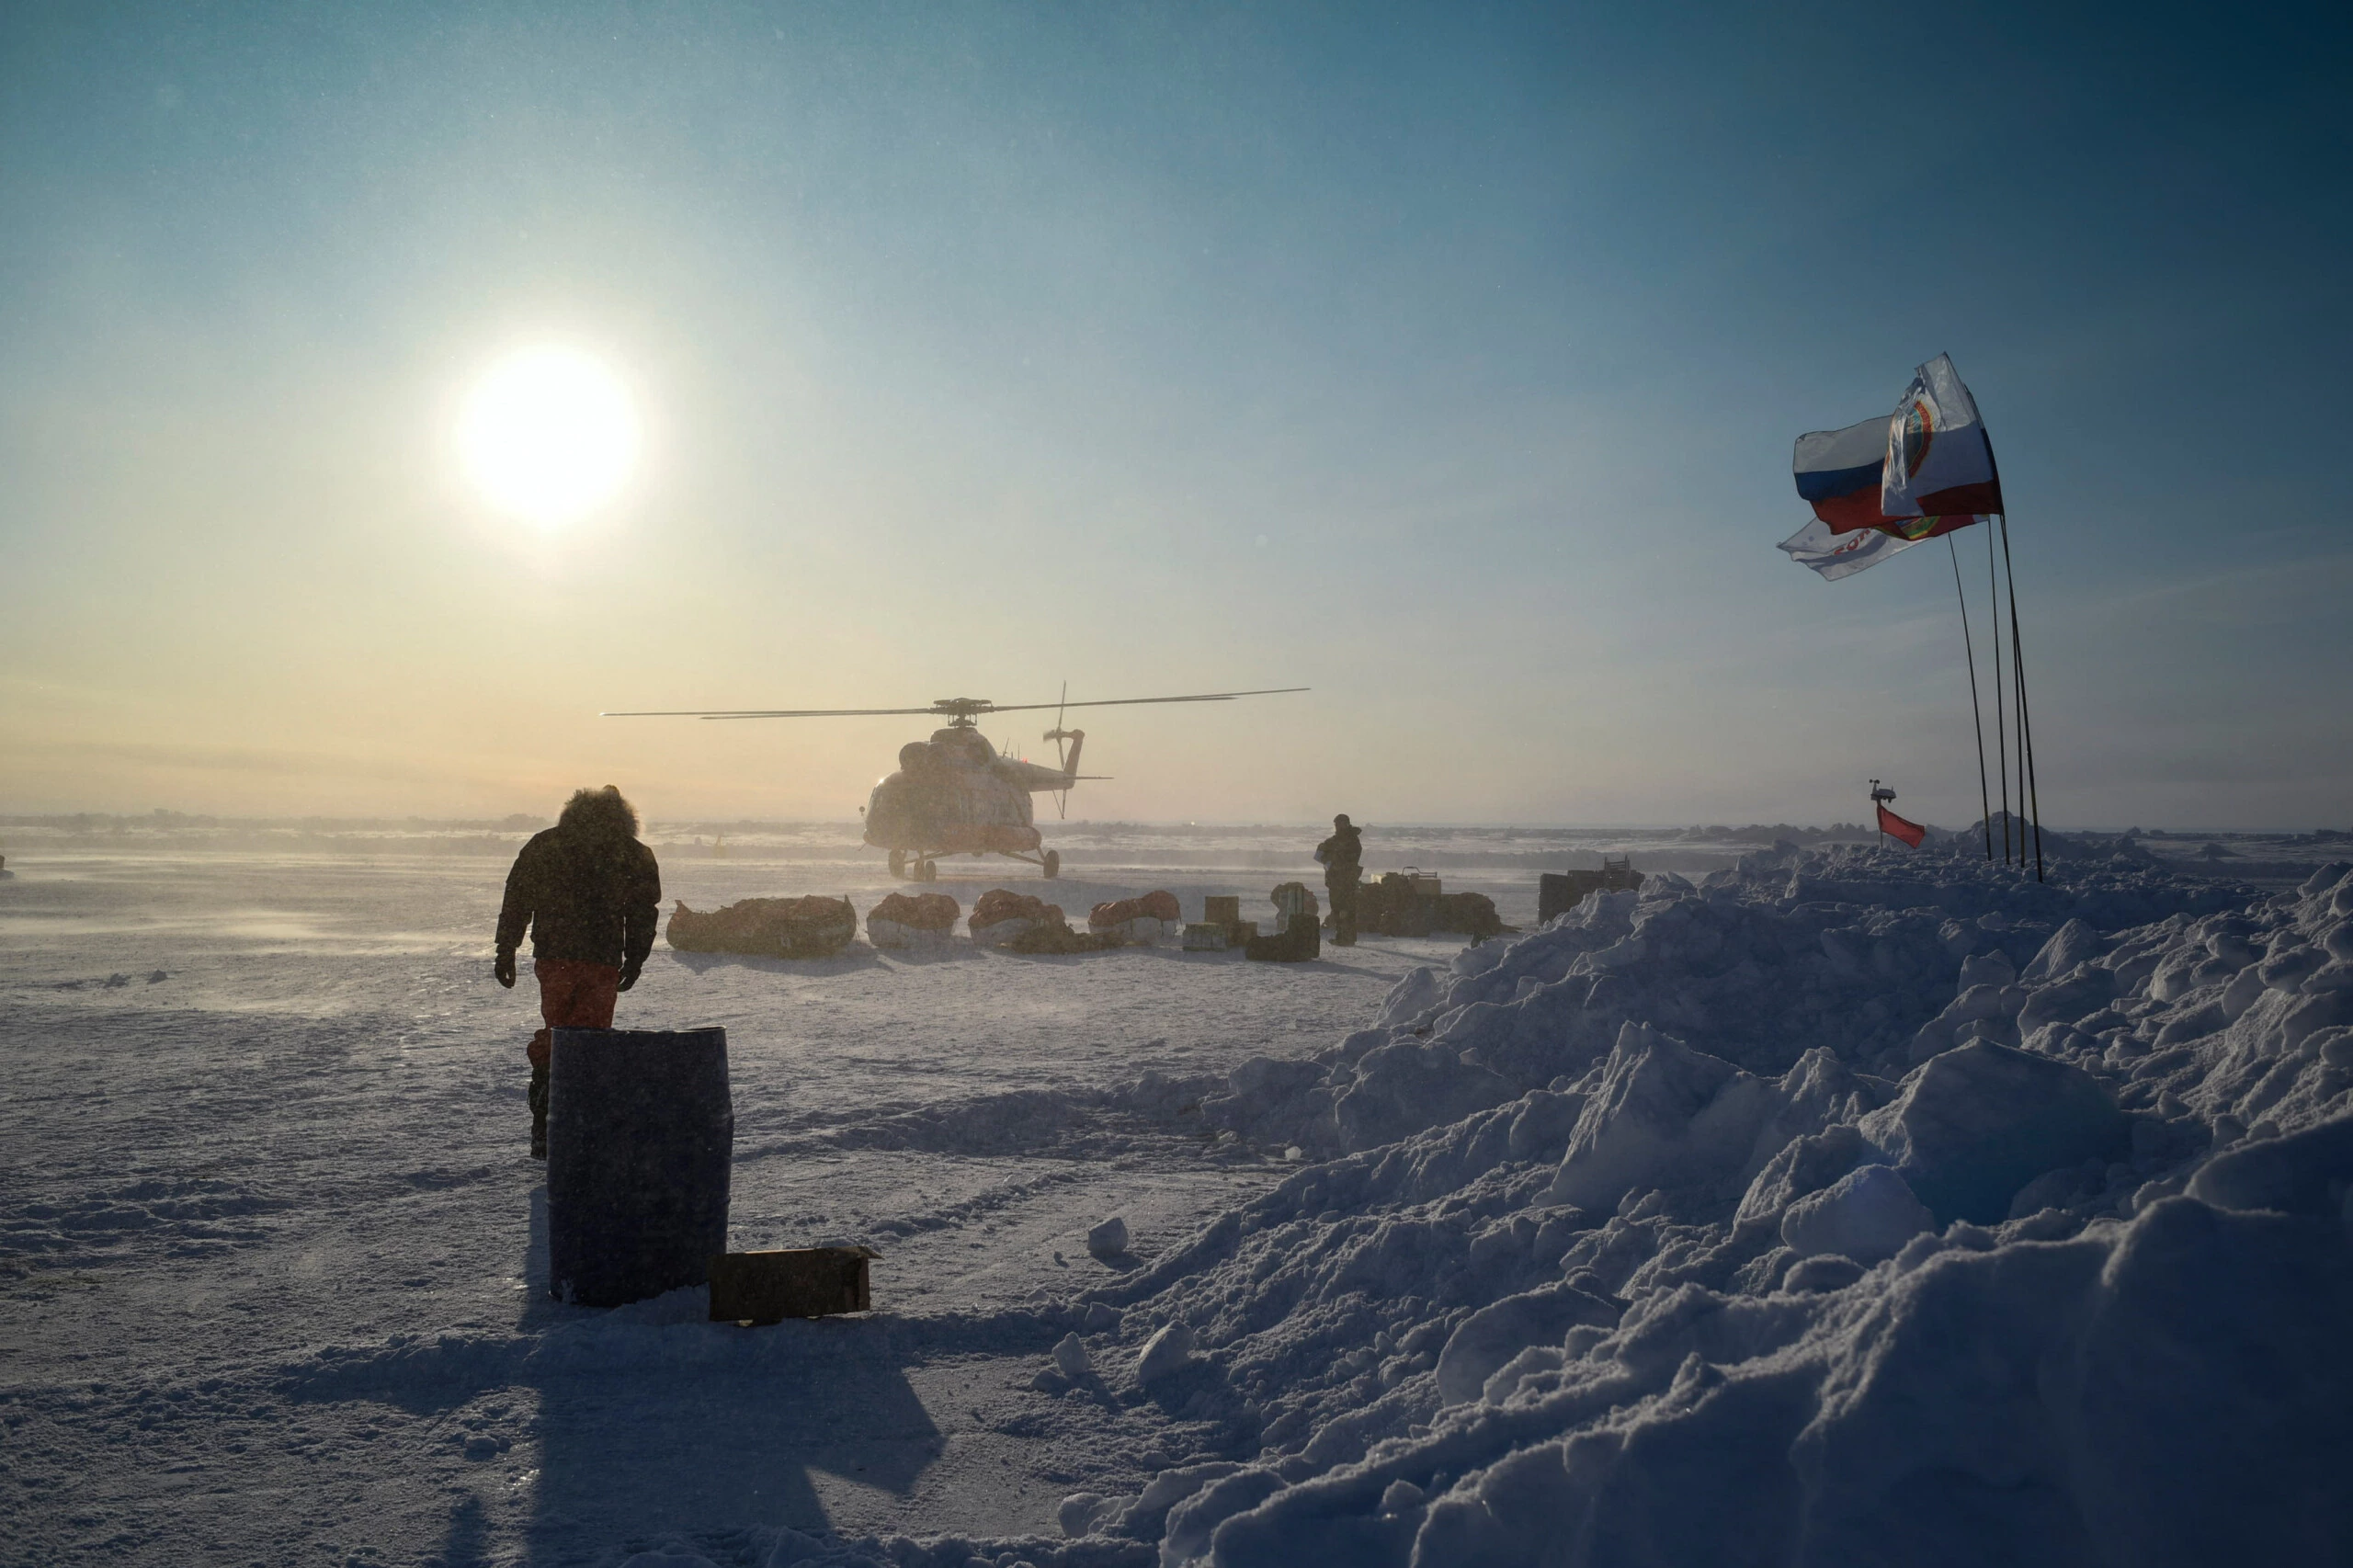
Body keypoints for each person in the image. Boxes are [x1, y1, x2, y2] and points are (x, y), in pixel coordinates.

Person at [494, 786, 662, 1158]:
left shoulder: (546, 844)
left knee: (560, 1036)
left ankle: (548, 1125)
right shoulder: (632, 854)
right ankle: (576, 1125)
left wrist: (506, 948)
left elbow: (517, 896)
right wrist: (635, 958)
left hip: (555, 957)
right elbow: (642, 913)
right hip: (600, 961)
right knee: (589, 1041)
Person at [1314, 812, 1363, 947]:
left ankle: (1345, 938)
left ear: (1345, 824)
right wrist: (1328, 858)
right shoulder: (1337, 840)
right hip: (1337, 880)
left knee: (1345, 909)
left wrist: (1334, 861)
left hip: (1345, 880)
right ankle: (1345, 937)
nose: (1337, 827)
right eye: (1336, 824)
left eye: (1339, 824)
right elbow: (1321, 853)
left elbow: (1351, 858)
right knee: (1339, 910)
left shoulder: (1350, 840)